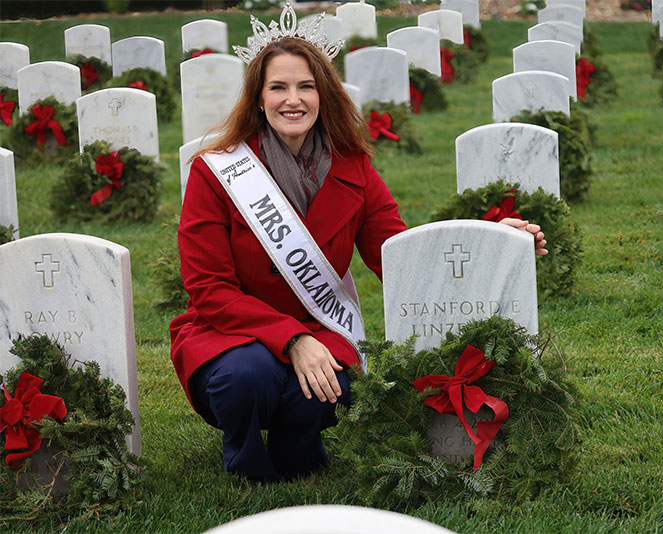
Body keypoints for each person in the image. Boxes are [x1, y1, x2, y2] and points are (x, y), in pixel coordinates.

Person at [169, 7, 549, 484]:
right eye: (278, 87)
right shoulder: (216, 172)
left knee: (320, 383)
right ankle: (245, 462)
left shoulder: (353, 169)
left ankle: (299, 452)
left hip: (318, 322)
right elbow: (209, 289)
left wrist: (494, 242)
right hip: (230, 331)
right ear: (258, 97)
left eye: (306, 86)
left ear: (323, 95)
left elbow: (400, 255)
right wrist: (292, 338)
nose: (293, 100)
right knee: (248, 377)